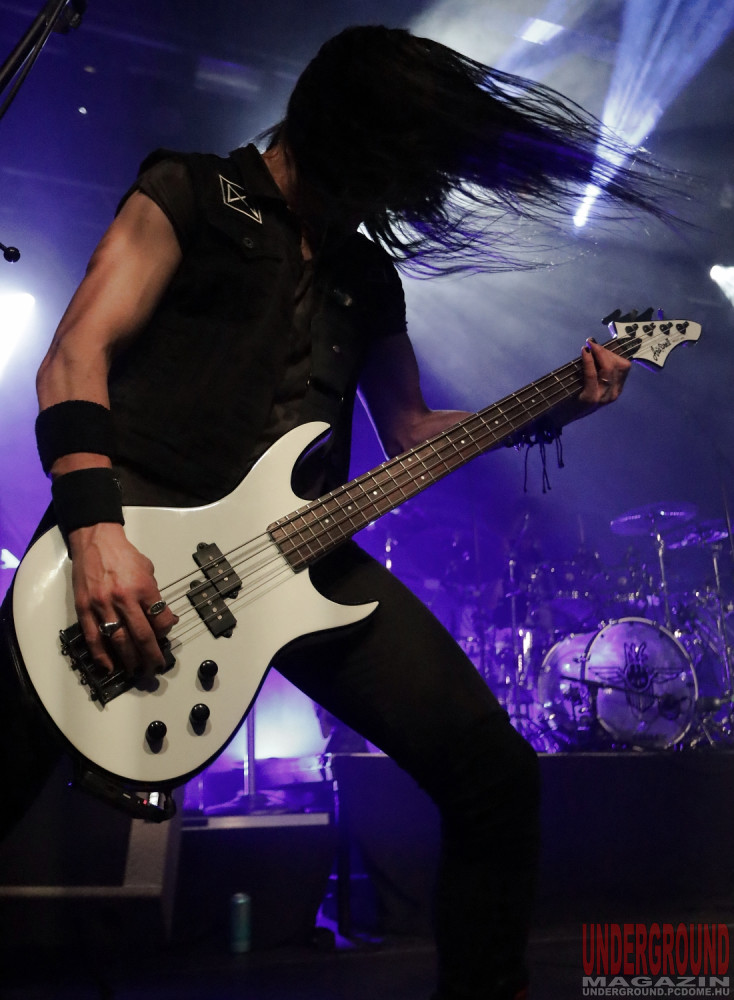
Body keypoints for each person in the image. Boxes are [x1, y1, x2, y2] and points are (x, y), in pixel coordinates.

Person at [1, 25, 678, 1000]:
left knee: (494, 775)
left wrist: (556, 403)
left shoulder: (366, 276)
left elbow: (411, 431)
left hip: (299, 558)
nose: (394, 199)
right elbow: (75, 354)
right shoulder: (189, 191)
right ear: (342, 132)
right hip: (130, 536)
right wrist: (96, 531)